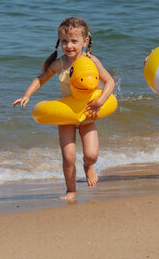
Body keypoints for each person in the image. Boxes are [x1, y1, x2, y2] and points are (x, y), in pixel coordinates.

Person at [12, 17, 115, 201]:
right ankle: (70, 191)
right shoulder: (60, 63)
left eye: (74, 41)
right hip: (66, 114)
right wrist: (27, 95)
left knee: (91, 155)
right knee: (68, 157)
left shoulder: (92, 61)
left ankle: (88, 166)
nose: (69, 46)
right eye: (64, 42)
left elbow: (110, 82)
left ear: (85, 41)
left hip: (87, 113)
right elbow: (41, 78)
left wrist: (100, 101)